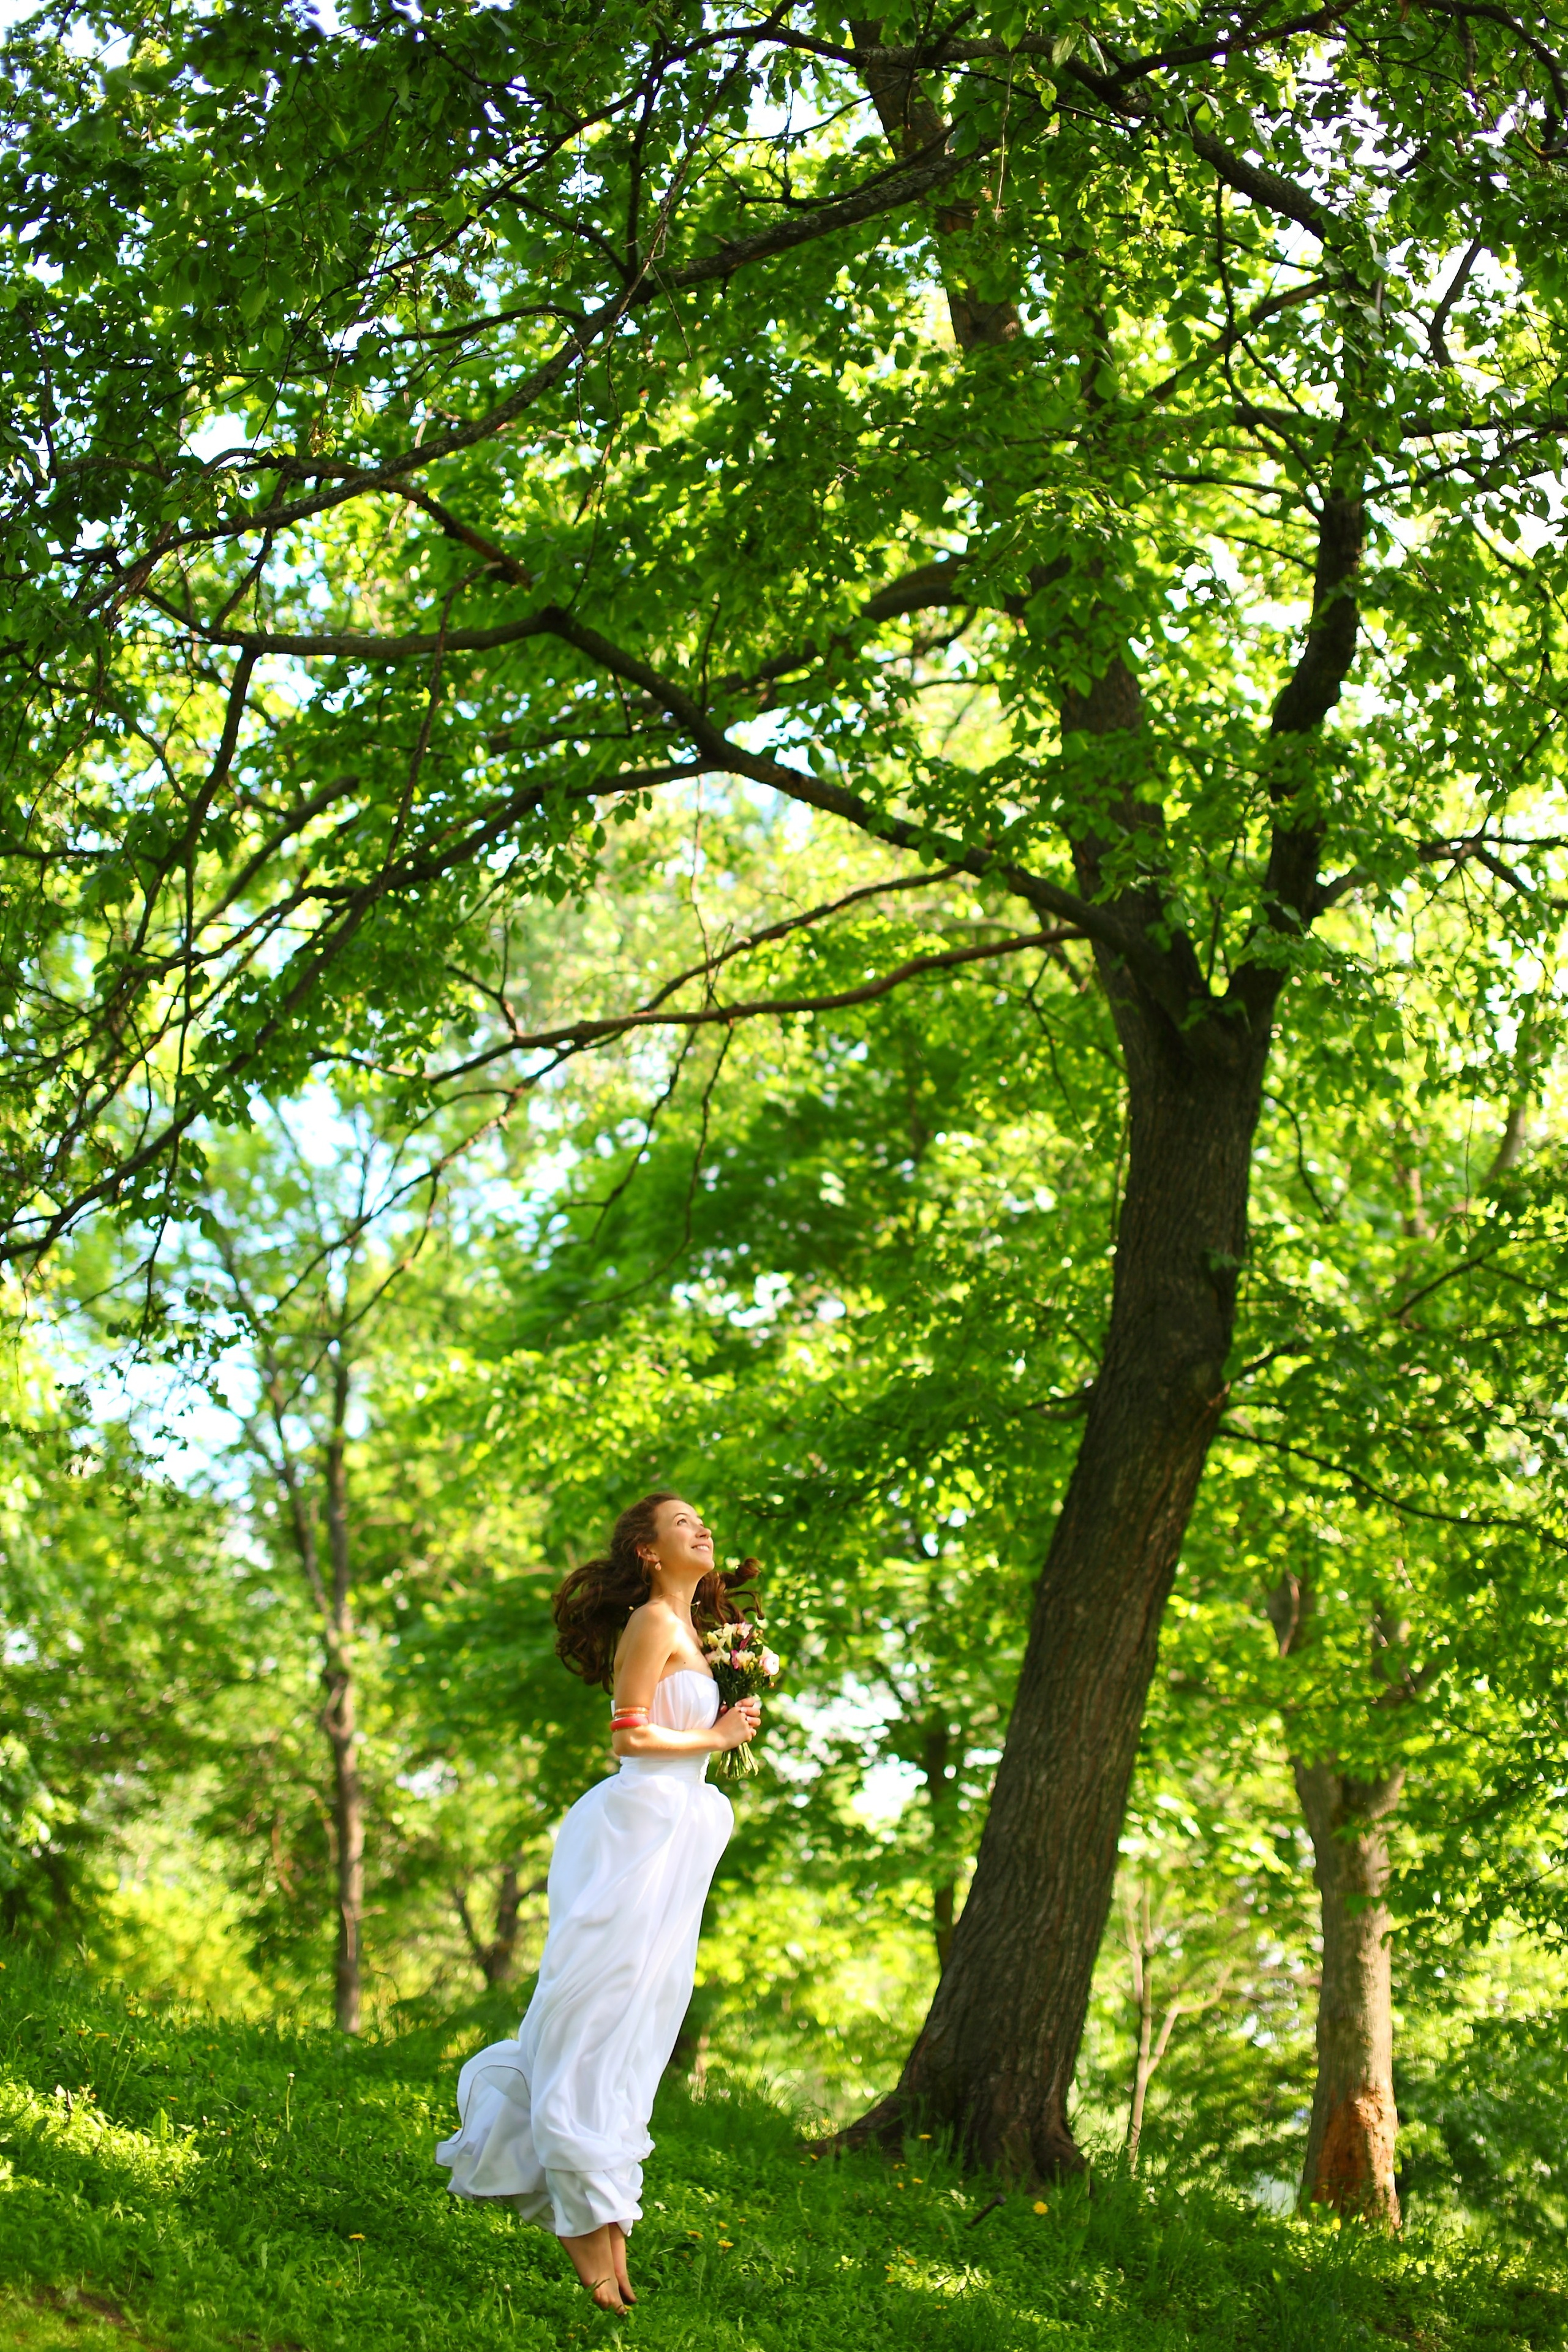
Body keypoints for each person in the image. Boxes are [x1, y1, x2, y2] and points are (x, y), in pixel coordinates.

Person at [435, 1492, 761, 2313]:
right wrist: (716, 1738)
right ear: (650, 1552)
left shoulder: (700, 1636)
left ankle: (607, 2226)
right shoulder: (653, 1624)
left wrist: (724, 1720)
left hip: (676, 1842)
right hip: (634, 1833)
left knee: (639, 2026)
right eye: (683, 1523)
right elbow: (628, 1736)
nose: (702, 1529)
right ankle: (580, 2212)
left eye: (702, 1522)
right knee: (594, 2014)